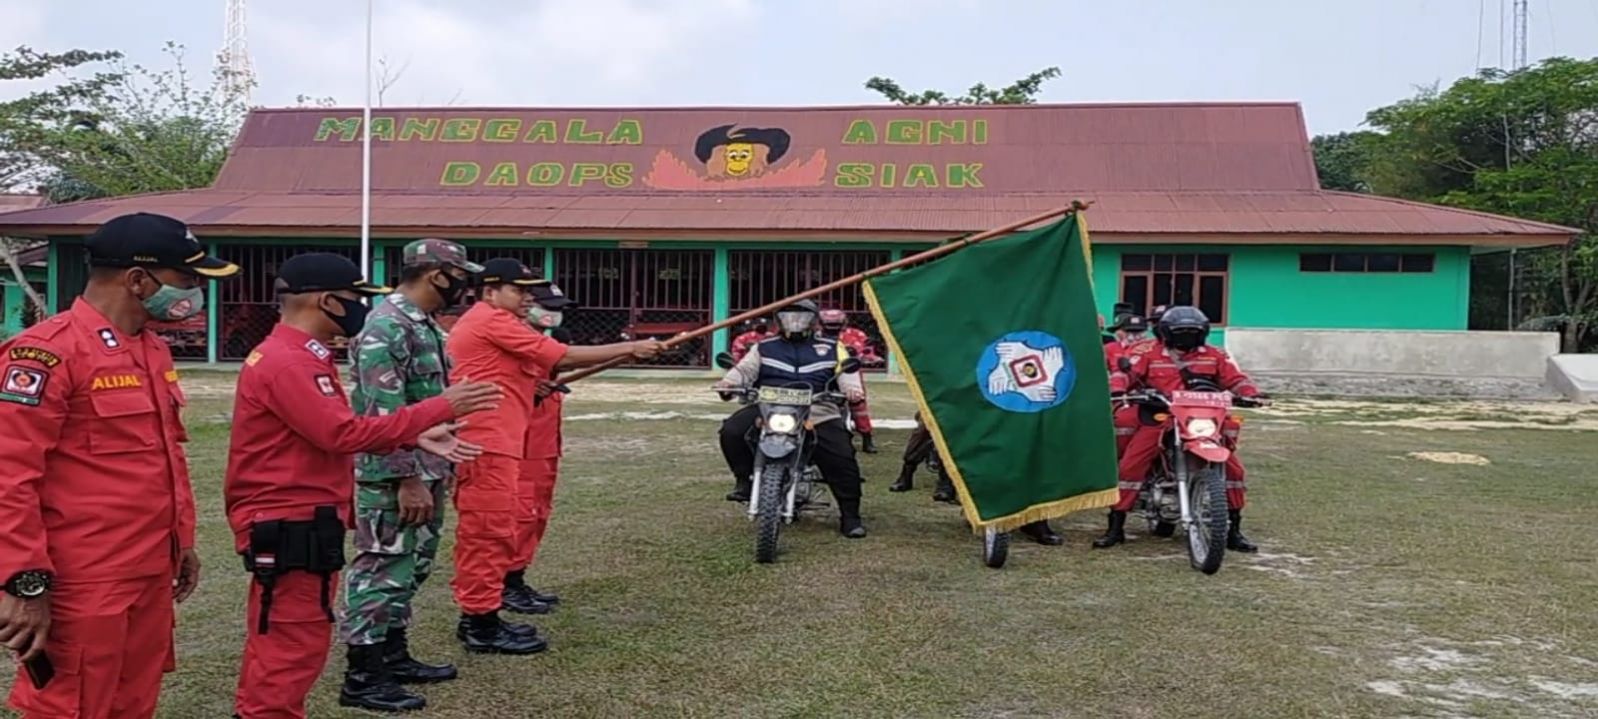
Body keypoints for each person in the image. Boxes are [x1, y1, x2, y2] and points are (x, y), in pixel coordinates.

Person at [225, 253, 502, 718]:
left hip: (307, 519)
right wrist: (439, 409)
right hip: (290, 523)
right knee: (291, 641)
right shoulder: (288, 361)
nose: (361, 309)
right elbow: (342, 434)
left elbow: (333, 427)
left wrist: (415, 433)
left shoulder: (299, 355)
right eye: (355, 298)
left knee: (297, 637)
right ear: (327, 300)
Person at [0, 213, 236, 718]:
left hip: (148, 572)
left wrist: (182, 540)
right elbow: (8, 479)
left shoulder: (150, 349)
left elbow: (165, 454)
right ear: (137, 280)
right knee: (73, 706)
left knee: (133, 704)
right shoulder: (47, 355)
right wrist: (24, 585)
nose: (195, 292)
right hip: (83, 582)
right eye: (187, 279)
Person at [445, 258, 663, 655]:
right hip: (486, 444)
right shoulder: (492, 320)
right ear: (489, 291)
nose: (528, 297)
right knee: (486, 533)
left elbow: (535, 368)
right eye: (519, 289)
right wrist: (632, 346)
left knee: (498, 530)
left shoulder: (499, 321)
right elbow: (560, 355)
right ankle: (479, 624)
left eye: (530, 290)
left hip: (501, 442)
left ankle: (486, 614)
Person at [338, 239, 483, 711]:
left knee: (410, 567)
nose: (465, 285)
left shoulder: (424, 325)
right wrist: (407, 476)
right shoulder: (386, 325)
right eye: (460, 274)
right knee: (380, 567)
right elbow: (382, 410)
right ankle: (363, 672)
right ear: (438, 274)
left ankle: (392, 653)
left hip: (428, 464)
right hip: (394, 473)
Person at [1094, 306, 1266, 553]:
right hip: (1160, 416)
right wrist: (1119, 390)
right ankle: (1115, 527)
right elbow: (1124, 374)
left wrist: (1252, 394)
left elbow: (1236, 379)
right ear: (1165, 332)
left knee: (1234, 471)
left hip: (1202, 419)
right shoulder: (1146, 352)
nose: (1187, 337)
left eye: (1192, 332)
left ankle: (1233, 530)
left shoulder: (1215, 355)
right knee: (1132, 465)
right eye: (1180, 332)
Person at [716, 299, 869, 538]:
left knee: (841, 455)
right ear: (779, 321)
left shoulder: (833, 346)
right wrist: (729, 383)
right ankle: (743, 480)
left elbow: (846, 373)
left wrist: (852, 390)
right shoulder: (764, 347)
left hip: (817, 408)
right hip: (768, 405)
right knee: (732, 431)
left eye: (802, 317)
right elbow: (744, 370)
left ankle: (850, 515)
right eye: (788, 317)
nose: (795, 322)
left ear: (813, 321)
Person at [502, 279, 577, 616]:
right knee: (520, 514)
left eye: (559, 310)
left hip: (544, 442)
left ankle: (517, 577)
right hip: (520, 443)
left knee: (537, 513)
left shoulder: (543, 342)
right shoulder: (508, 340)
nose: (553, 315)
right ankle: (503, 583)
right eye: (548, 308)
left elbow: (561, 361)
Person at [817, 308, 880, 453]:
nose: (832, 328)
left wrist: (864, 357)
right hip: (822, 374)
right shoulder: (814, 337)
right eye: (829, 324)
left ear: (843, 323)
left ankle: (867, 437)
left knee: (858, 404)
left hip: (849, 372)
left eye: (836, 324)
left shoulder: (856, 335)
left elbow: (869, 353)